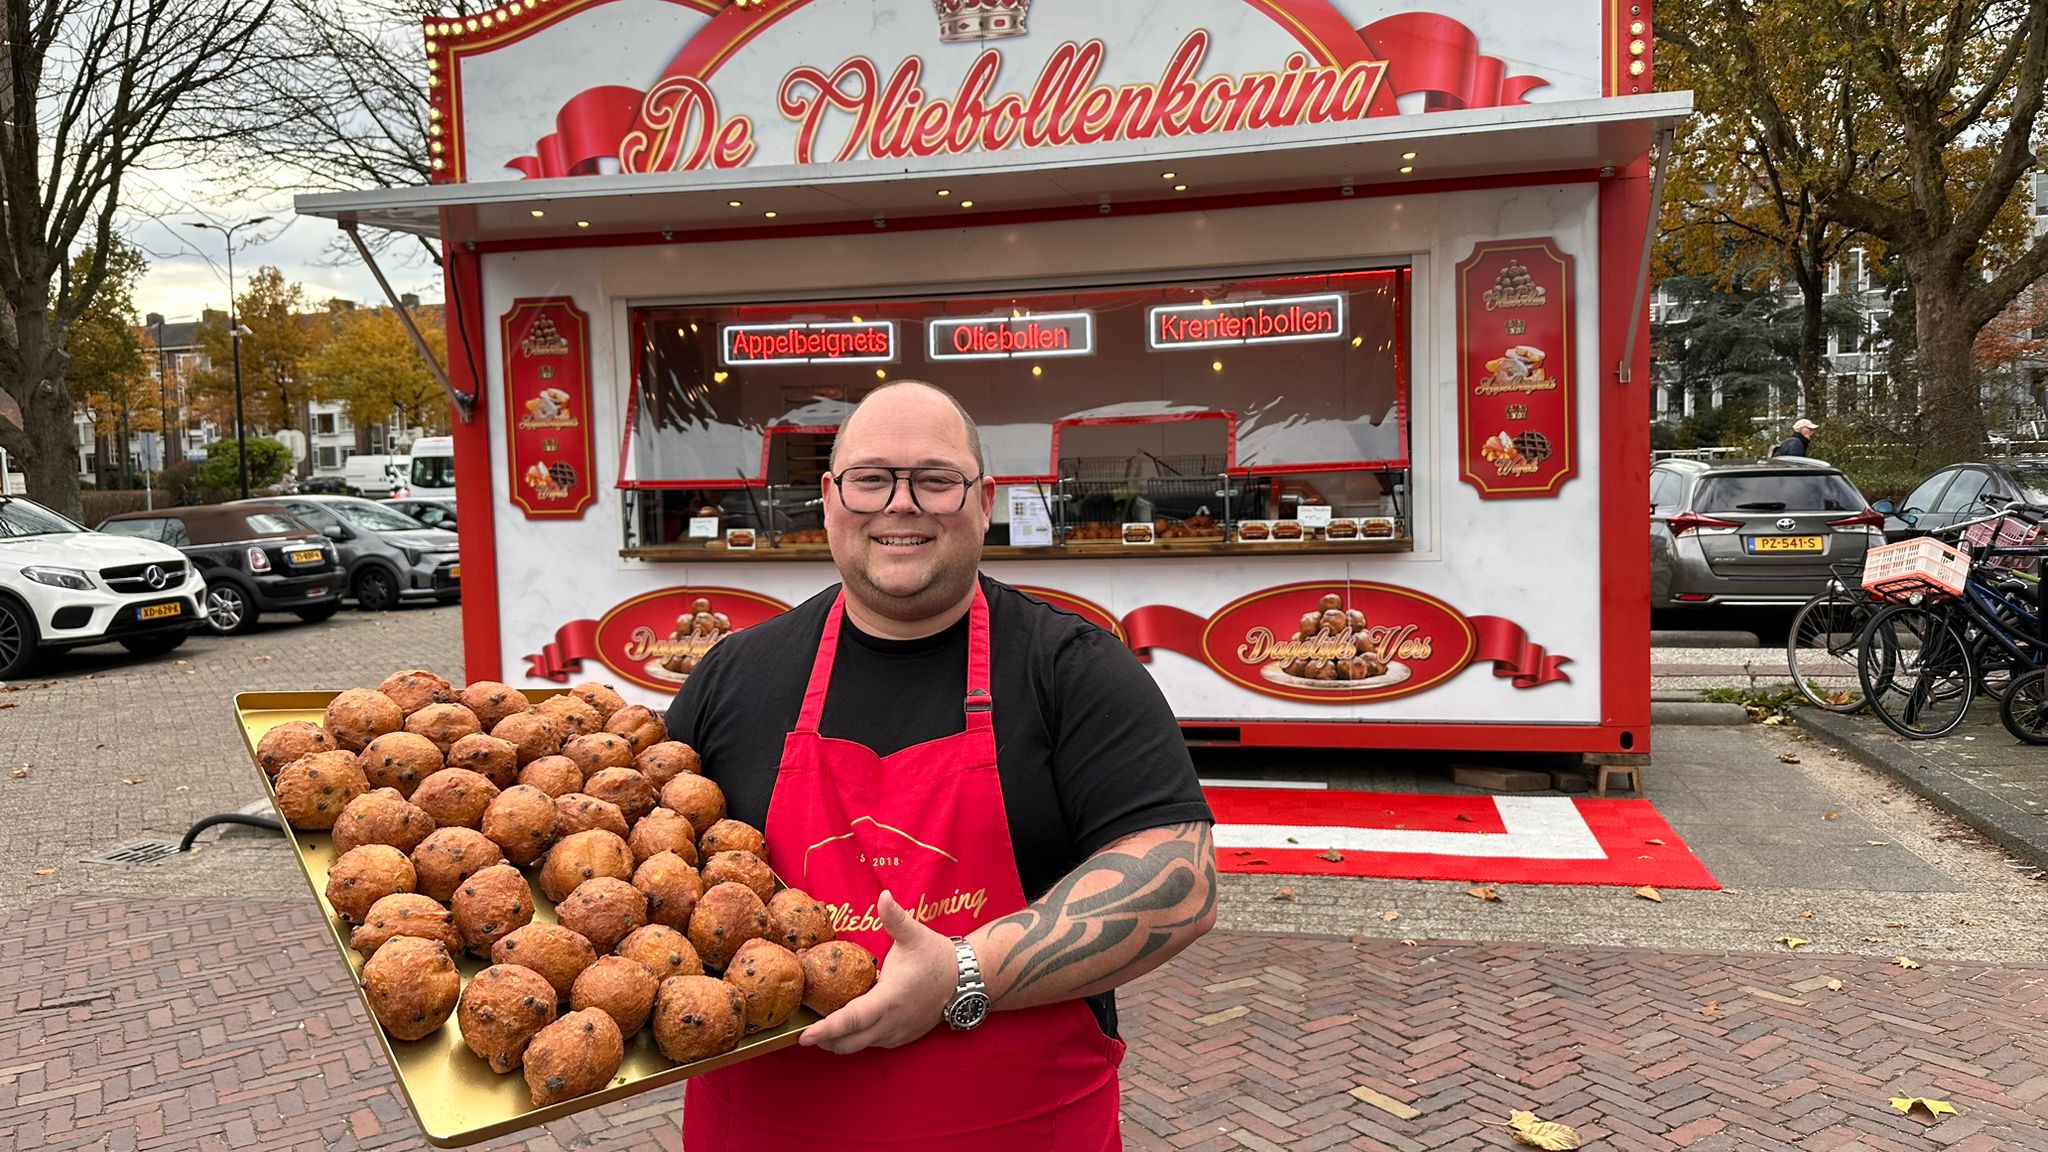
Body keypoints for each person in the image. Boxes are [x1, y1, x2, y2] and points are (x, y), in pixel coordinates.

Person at [665, 380, 1218, 1151]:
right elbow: (646, 866)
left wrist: (965, 973)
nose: (901, 504)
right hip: (764, 1128)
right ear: (829, 498)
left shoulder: (1073, 670)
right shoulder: (734, 674)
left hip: (1022, 1129)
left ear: (984, 498)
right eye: (871, 479)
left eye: (935, 478)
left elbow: (1178, 881)